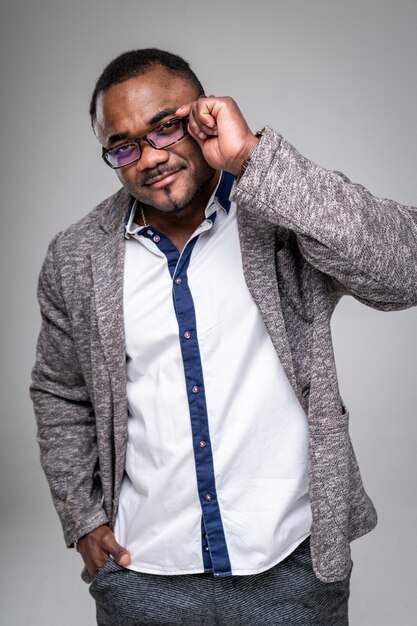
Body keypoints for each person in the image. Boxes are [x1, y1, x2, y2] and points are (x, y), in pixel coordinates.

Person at [30, 48, 417, 626]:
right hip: (143, 572)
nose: (150, 157)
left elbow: (404, 269)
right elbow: (60, 393)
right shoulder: (76, 257)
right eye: (124, 145)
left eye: (166, 126)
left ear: (204, 115)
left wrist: (253, 158)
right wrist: (82, 519)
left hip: (293, 567)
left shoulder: (280, 209)